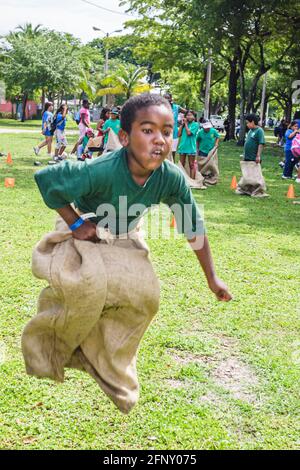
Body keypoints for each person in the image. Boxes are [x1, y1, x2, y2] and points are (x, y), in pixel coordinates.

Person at [30, 94, 232, 410]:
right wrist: (75, 223)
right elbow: (46, 180)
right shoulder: (101, 170)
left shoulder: (171, 177)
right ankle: (55, 346)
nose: (160, 139)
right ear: (124, 137)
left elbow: (192, 226)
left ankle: (106, 360)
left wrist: (212, 278)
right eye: (148, 130)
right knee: (86, 288)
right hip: (85, 230)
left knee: (146, 298)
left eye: (167, 131)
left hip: (126, 236)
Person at [164, 93, 186, 161]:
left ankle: (172, 166)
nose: (166, 99)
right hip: (163, 133)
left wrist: (184, 122)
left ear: (171, 99)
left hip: (174, 133)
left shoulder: (176, 107)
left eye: (167, 98)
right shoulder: (160, 107)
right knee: (164, 150)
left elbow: (188, 112)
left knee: (173, 151)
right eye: (164, 98)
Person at [178, 110, 199, 179]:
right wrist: (182, 124)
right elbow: (179, 134)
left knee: (191, 165)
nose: (189, 116)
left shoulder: (196, 125)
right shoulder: (184, 125)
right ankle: (181, 179)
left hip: (191, 147)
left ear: (194, 117)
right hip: (183, 146)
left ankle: (192, 180)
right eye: (187, 115)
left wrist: (186, 124)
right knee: (181, 164)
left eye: (190, 115)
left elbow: (189, 133)